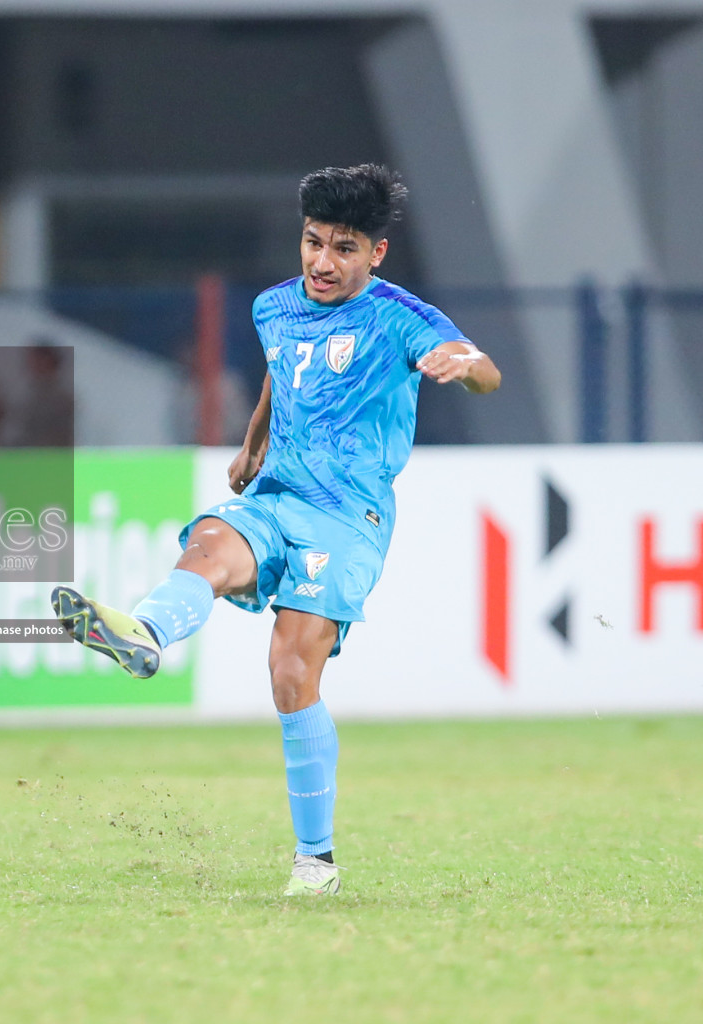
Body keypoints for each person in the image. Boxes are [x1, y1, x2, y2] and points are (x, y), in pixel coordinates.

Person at [50, 164, 502, 897]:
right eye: (313, 242)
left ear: (376, 254)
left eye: (345, 248)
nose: (323, 262)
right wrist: (254, 441)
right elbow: (279, 372)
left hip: (349, 515)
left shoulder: (400, 316)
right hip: (276, 492)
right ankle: (145, 635)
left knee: (291, 672)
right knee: (208, 547)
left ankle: (315, 861)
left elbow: (485, 374)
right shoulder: (272, 308)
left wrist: (468, 364)